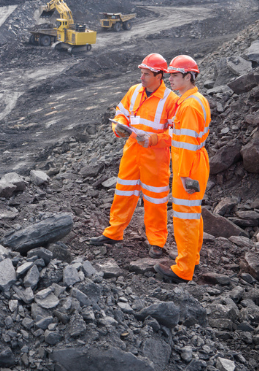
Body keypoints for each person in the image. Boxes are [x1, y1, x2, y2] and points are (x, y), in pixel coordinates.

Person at [89, 53, 178, 258]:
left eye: (146, 74)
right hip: (131, 153)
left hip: (155, 159)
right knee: (123, 193)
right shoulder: (134, 91)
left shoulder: (170, 100)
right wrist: (118, 127)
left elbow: (175, 134)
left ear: (159, 75)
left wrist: (153, 139)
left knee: (155, 200)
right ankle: (114, 233)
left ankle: (156, 241)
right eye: (141, 73)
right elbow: (121, 114)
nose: (142, 77)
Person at [154, 55, 211, 283]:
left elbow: (186, 144)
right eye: (170, 75)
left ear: (189, 76)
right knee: (192, 215)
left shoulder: (188, 106)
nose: (170, 79)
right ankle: (192, 258)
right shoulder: (195, 100)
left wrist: (184, 176)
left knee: (184, 217)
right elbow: (181, 138)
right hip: (195, 162)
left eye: (175, 75)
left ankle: (183, 269)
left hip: (188, 167)